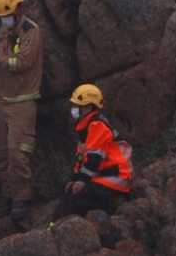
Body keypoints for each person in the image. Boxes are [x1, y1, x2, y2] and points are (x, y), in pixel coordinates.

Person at [0, 0, 43, 220]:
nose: (4, 19)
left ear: (19, 8)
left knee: (17, 153)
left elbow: (24, 62)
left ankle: (21, 198)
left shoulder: (32, 32)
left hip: (22, 102)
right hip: (1, 100)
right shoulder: (3, 29)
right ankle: (7, 196)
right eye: (1, 15)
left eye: (7, 14)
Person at [51, 84, 133, 223]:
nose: (74, 109)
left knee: (78, 197)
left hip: (115, 177)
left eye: (77, 106)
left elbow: (94, 158)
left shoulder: (97, 126)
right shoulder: (86, 126)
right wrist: (75, 179)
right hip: (102, 175)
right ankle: (54, 227)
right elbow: (83, 160)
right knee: (69, 193)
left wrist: (82, 181)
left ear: (88, 108)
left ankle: (60, 229)